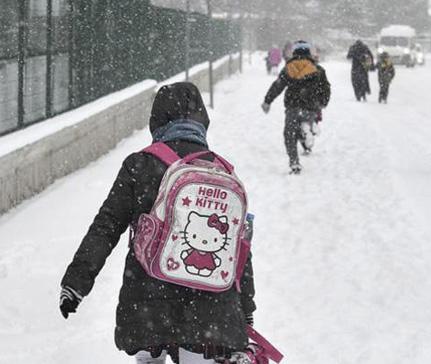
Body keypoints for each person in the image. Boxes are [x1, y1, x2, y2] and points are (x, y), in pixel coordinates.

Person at [59, 82, 256, 364]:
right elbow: (239, 249)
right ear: (202, 120)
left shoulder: (139, 165)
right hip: (210, 309)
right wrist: (244, 307)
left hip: (147, 302)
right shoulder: (221, 172)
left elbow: (106, 226)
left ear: (157, 120)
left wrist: (76, 283)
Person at [261, 41, 331, 174]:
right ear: (309, 53)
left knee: (289, 134)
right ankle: (308, 130)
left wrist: (267, 101)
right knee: (304, 124)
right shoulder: (318, 70)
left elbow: (278, 86)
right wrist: (322, 102)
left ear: (294, 53)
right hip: (311, 107)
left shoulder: (288, 68)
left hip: (293, 106)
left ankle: (294, 162)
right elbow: (325, 89)